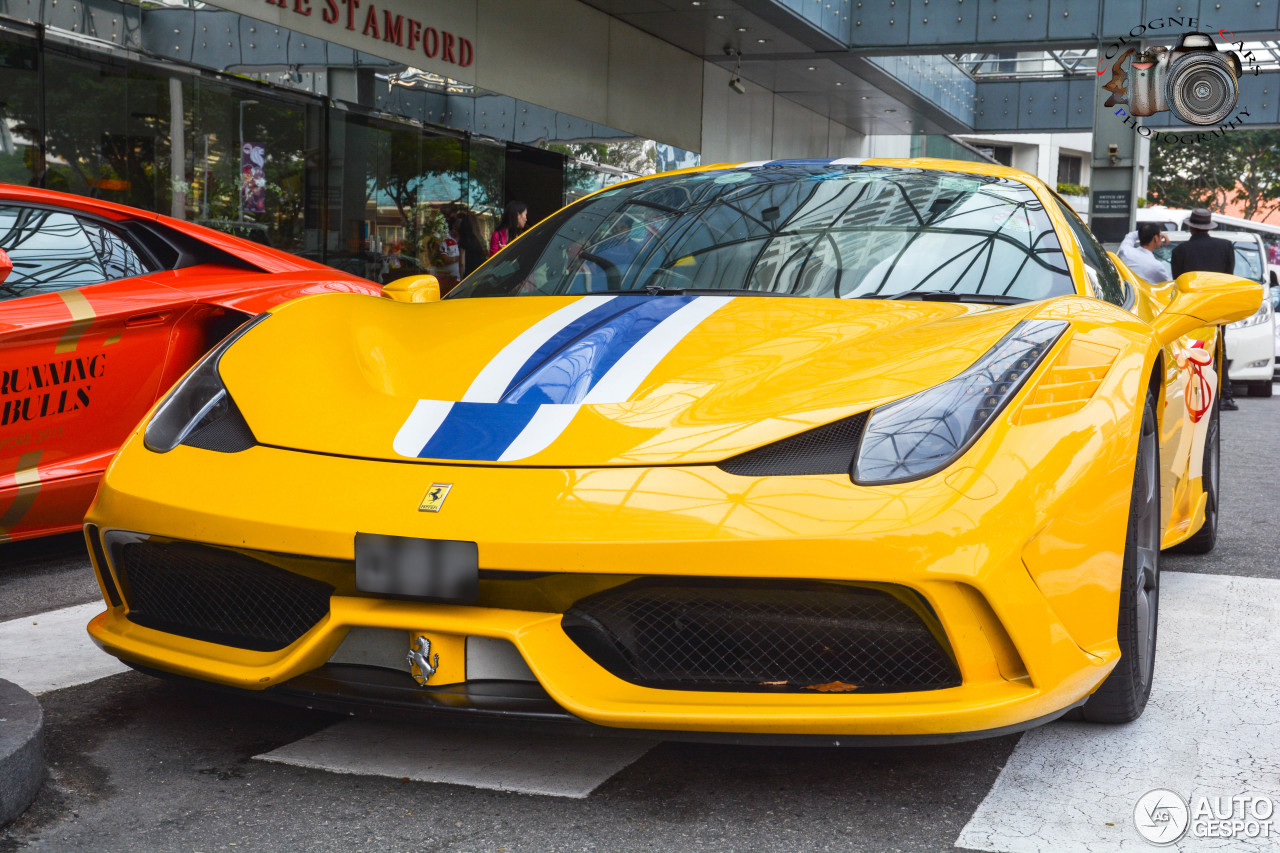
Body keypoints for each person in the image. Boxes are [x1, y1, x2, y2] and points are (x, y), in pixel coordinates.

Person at [1171, 208, 1238, 410]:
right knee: (1219, 349)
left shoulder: (1180, 251)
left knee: (1190, 348)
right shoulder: (1225, 247)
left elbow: (1178, 281)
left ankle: (1192, 392)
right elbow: (1228, 277)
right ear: (1208, 227)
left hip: (1191, 305)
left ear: (1191, 226)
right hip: (1217, 305)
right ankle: (1224, 395)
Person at [457, 211, 487, 279]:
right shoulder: (478, 238)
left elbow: (462, 262)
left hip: (469, 272)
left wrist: (462, 278)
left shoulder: (463, 240)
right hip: (480, 270)